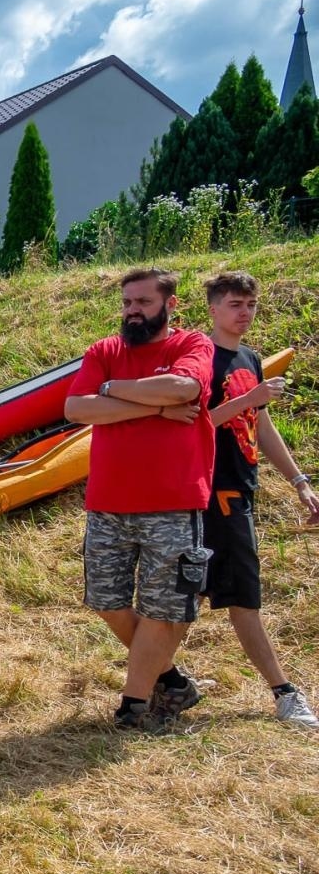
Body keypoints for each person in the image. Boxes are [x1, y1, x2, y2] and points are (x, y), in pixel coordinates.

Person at [64, 267, 216, 732]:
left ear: (170, 304)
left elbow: (185, 388)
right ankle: (170, 679)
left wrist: (112, 391)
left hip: (173, 501)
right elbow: (76, 409)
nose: (133, 311)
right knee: (106, 600)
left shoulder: (192, 346)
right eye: (128, 302)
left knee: (162, 607)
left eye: (143, 302)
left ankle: (133, 706)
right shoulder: (105, 350)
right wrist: (158, 408)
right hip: (109, 501)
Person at [196, 271, 319, 729]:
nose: (244, 313)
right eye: (234, 304)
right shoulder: (200, 360)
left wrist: (300, 481)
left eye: (250, 304)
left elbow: (261, 426)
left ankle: (162, 681)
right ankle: (284, 692)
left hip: (242, 490)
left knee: (188, 594)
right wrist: (250, 395)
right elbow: (191, 427)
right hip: (214, 493)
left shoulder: (249, 356)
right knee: (242, 594)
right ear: (213, 308)